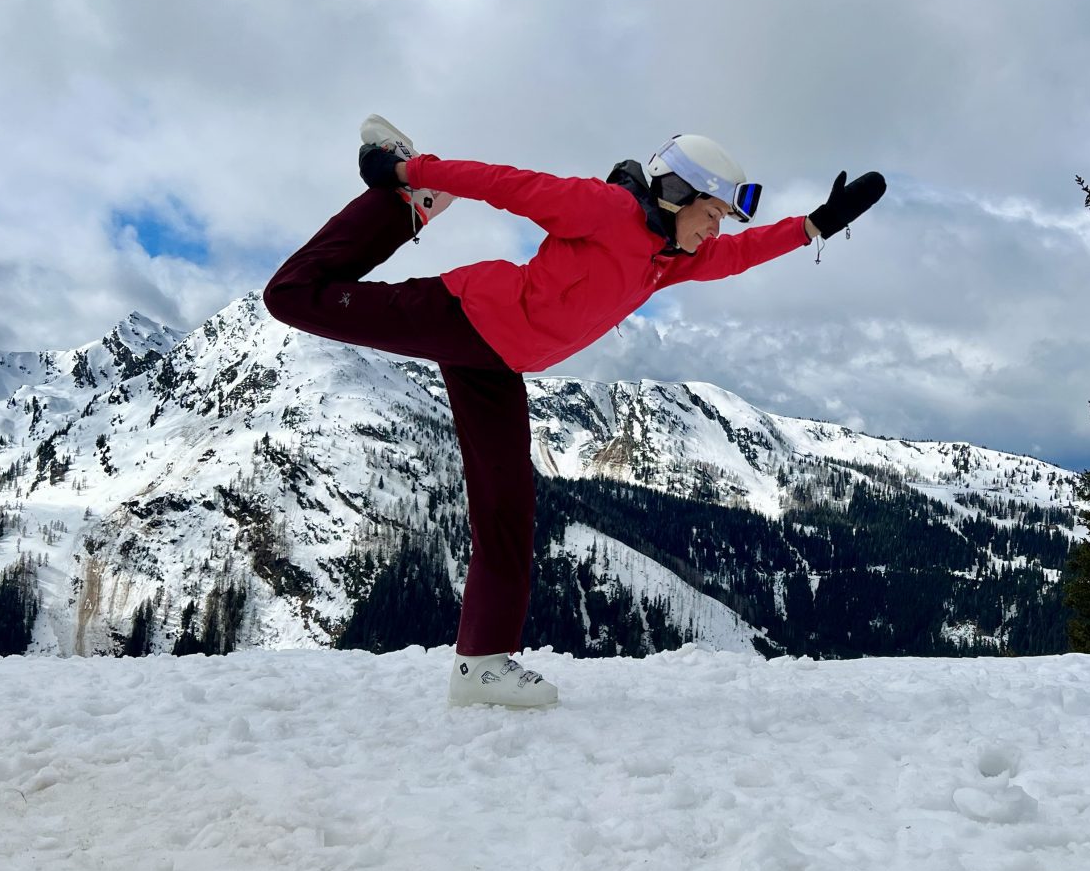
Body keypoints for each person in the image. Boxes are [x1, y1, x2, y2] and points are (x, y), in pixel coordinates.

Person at [261, 117, 887, 708]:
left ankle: (481, 663)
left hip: (498, 361)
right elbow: (505, 185)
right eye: (713, 212)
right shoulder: (607, 210)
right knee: (290, 296)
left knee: (508, 505)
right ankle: (405, 204)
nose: (716, 230)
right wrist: (409, 172)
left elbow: (736, 256)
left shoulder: (663, 259)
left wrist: (814, 226)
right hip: (463, 314)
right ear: (676, 193)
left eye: (724, 217)